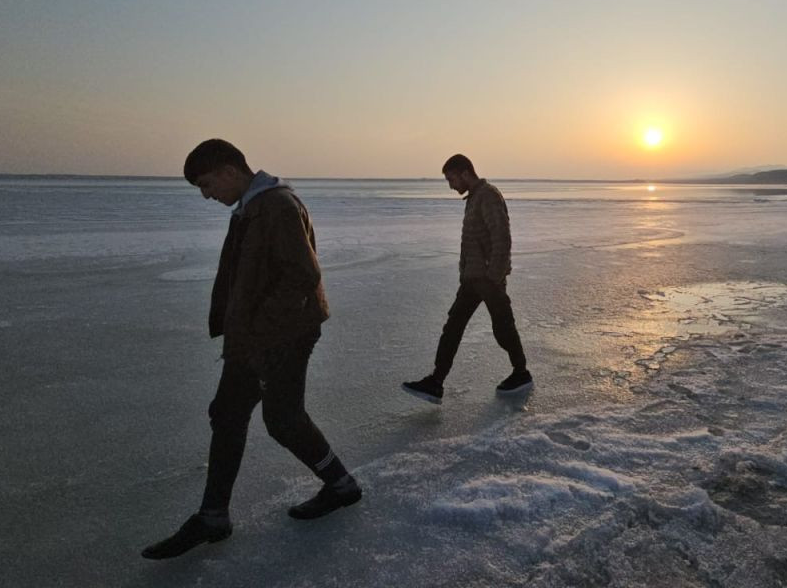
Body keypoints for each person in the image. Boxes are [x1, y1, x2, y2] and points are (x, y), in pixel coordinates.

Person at [142, 139, 360, 560]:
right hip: (256, 337)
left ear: (228, 170)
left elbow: (302, 275)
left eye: (207, 185)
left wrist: (260, 334)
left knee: (282, 419)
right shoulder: (252, 205)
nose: (207, 196)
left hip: (283, 336)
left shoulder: (275, 206)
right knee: (227, 413)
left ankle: (342, 486)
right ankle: (213, 516)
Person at [402, 154, 532, 404]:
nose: (451, 185)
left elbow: (502, 238)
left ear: (464, 173)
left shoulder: (489, 196)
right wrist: (467, 274)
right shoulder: (473, 199)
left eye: (451, 179)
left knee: (503, 328)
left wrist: (494, 277)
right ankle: (436, 382)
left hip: (487, 279)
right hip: (472, 280)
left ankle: (521, 372)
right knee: (452, 327)